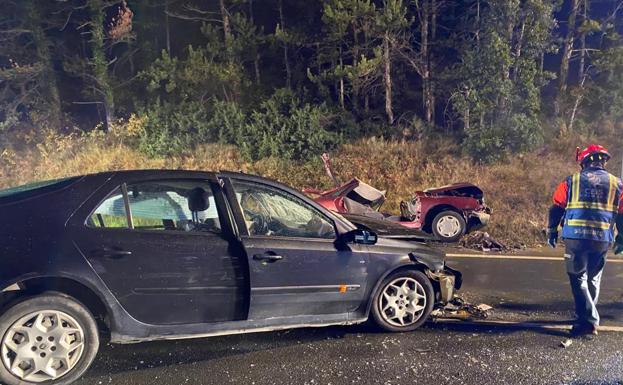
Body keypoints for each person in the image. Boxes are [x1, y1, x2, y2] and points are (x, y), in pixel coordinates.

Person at [547, 144, 623, 336]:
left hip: (576, 238)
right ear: (602, 161)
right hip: (602, 239)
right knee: (593, 277)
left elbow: (556, 207)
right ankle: (587, 312)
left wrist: (552, 230)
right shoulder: (618, 184)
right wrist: (621, 236)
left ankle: (588, 322)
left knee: (578, 277)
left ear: (585, 161)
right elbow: (622, 215)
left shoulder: (571, 181)